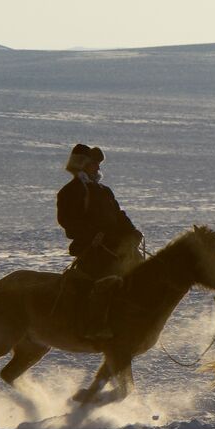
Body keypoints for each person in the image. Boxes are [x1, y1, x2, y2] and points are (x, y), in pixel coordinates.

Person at [56, 144, 144, 340]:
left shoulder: (104, 190)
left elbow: (119, 216)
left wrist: (133, 233)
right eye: (93, 163)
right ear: (82, 165)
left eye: (98, 164)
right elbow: (68, 222)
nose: (98, 167)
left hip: (116, 247)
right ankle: (95, 326)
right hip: (92, 250)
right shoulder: (70, 191)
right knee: (108, 281)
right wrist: (92, 236)